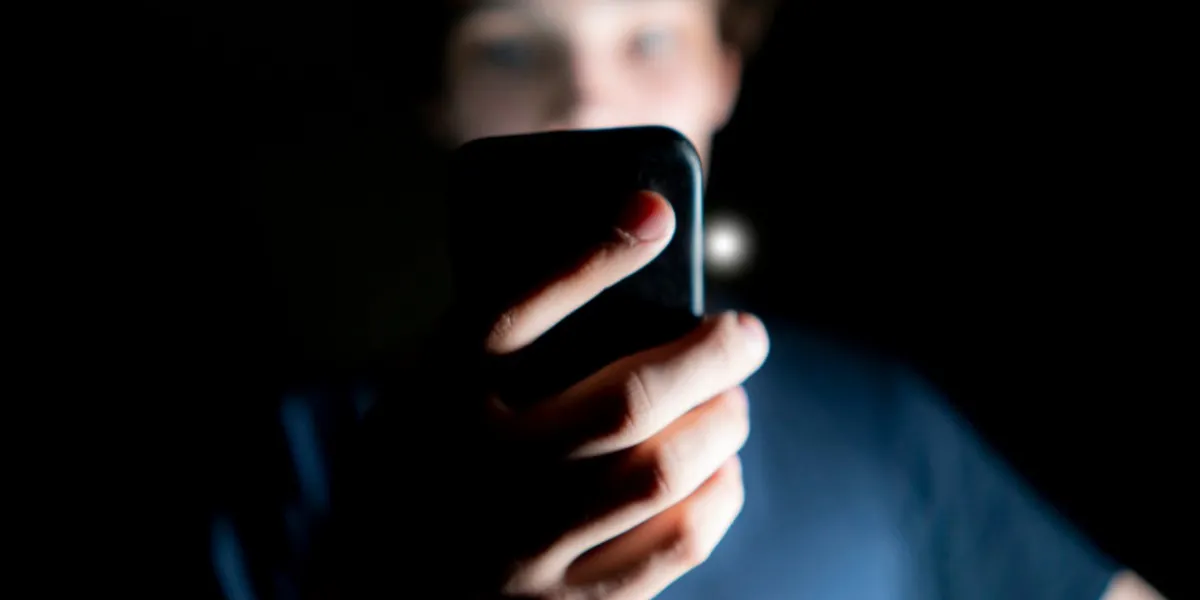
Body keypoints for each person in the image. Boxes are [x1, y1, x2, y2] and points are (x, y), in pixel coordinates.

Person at [209, 1, 1166, 599]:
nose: (587, 97)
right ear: (440, 98)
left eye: (651, 36)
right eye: (507, 47)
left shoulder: (885, 425)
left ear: (725, 75)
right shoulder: (286, 467)